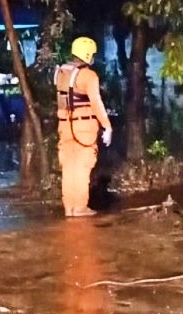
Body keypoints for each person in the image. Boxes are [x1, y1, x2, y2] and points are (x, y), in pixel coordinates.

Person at [54, 36, 113, 217]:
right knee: (82, 167)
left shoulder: (61, 73)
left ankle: (69, 207)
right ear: (87, 54)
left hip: (65, 126)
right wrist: (107, 127)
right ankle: (79, 207)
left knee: (69, 168)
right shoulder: (89, 76)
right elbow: (96, 103)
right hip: (84, 128)